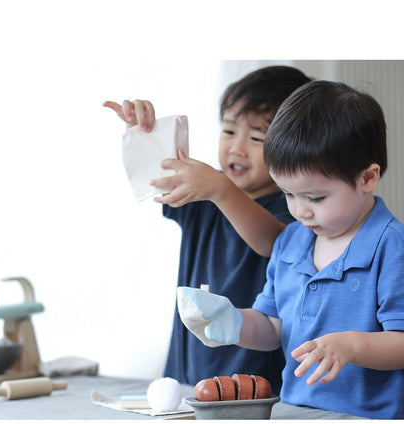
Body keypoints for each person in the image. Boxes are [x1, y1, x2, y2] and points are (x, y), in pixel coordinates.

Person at [177, 80, 404, 419]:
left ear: (367, 178)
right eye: (288, 194)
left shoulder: (394, 249)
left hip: (369, 420)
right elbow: (272, 328)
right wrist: (232, 321)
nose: (301, 211)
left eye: (315, 198)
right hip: (297, 412)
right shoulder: (290, 242)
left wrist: (351, 346)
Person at [104, 66, 312, 393]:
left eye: (257, 137)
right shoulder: (207, 192)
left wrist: (221, 189)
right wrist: (142, 134)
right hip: (185, 373)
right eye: (229, 131)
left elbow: (273, 241)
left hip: (251, 380)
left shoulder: (296, 207)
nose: (237, 148)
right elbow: (155, 174)